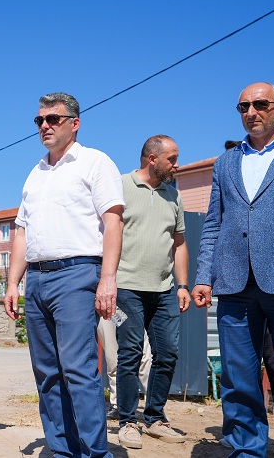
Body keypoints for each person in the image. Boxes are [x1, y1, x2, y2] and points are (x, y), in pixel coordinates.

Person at [192, 82, 274, 457]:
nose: (251, 112)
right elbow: (213, 225)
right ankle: (246, 450)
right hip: (234, 285)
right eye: (243, 107)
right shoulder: (226, 162)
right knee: (238, 381)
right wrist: (203, 277)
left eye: (260, 104)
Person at [4, 92, 124, 458]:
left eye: (52, 119)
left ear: (75, 123)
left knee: (78, 369)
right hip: (37, 279)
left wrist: (108, 278)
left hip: (77, 275)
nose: (44, 125)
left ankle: (94, 452)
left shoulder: (95, 162)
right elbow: (22, 232)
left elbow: (114, 221)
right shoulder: (35, 173)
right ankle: (62, 450)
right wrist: (12, 282)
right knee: (47, 372)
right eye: (39, 120)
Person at [114, 135, 190, 449]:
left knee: (168, 353)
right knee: (130, 354)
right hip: (124, 288)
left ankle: (155, 418)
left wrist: (182, 285)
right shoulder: (119, 186)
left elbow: (179, 244)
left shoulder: (174, 195)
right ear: (152, 159)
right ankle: (127, 421)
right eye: (172, 159)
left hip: (164, 289)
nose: (177, 165)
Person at [96, 319, 151, 420]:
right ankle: (118, 405)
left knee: (144, 357)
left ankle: (153, 407)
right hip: (106, 313)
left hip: (130, 310)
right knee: (112, 358)